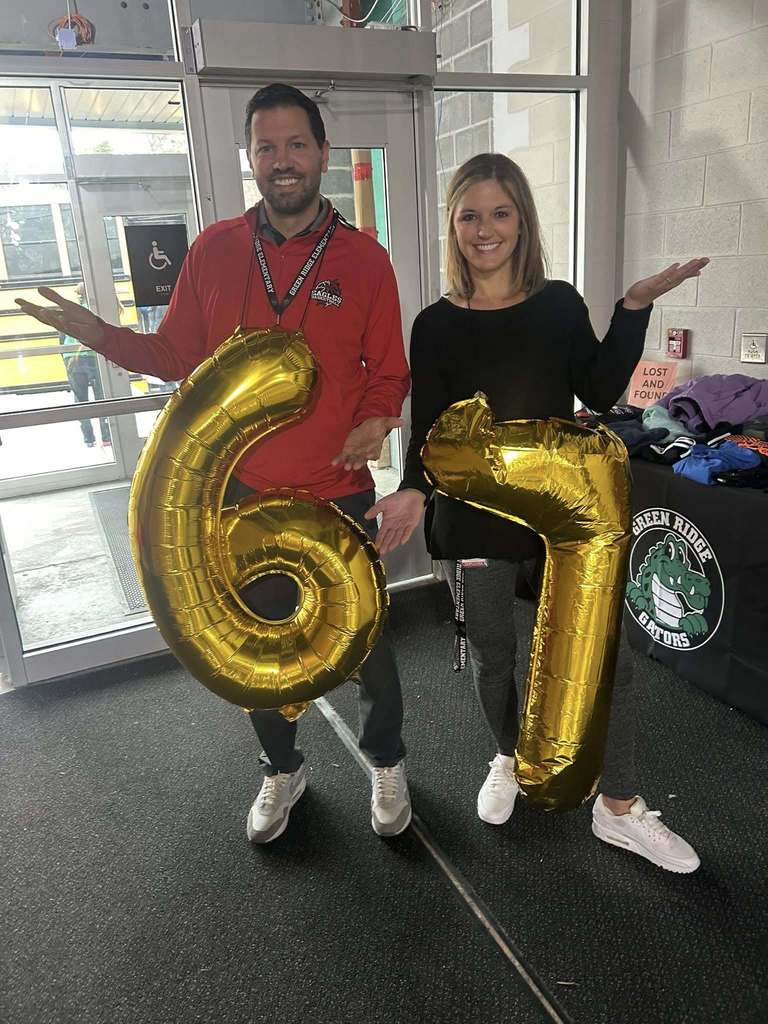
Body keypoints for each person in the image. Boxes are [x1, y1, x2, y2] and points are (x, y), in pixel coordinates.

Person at [16, 83, 412, 846]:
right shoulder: (216, 250)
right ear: (251, 159)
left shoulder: (365, 259)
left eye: (297, 144)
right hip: (242, 494)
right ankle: (282, 767)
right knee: (253, 644)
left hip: (337, 492)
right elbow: (173, 358)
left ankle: (387, 760)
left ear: (323, 154)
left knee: (368, 646)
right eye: (267, 147)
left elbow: (388, 368)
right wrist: (98, 333)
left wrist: (378, 414)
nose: (283, 160)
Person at [368, 153, 709, 874]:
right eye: (469, 215)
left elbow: (600, 383)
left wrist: (636, 306)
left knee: (608, 660)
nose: (484, 230)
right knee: (497, 654)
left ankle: (618, 809)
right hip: (477, 519)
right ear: (453, 225)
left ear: (521, 220)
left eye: (499, 213)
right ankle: (507, 753)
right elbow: (430, 426)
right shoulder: (433, 325)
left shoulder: (556, 304)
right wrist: (412, 488)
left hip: (567, 520)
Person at [59, 283, 112, 448]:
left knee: (81, 401)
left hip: (72, 359)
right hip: (92, 357)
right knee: (101, 398)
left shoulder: (70, 311)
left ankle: (89, 439)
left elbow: (62, 337)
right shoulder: (98, 311)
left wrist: (66, 358)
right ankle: (107, 437)